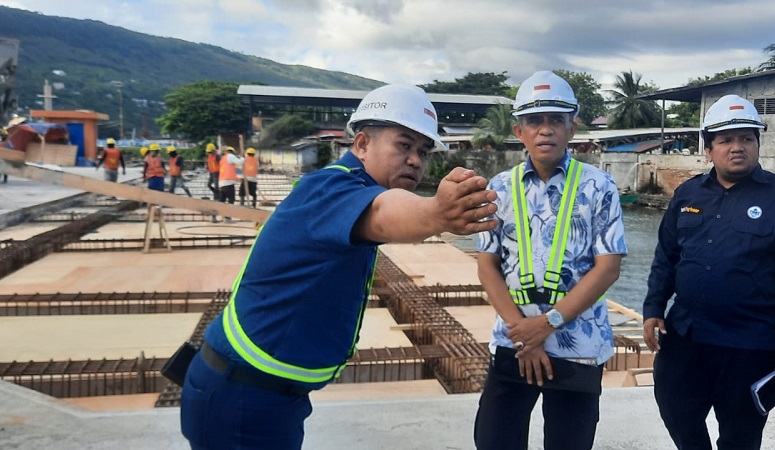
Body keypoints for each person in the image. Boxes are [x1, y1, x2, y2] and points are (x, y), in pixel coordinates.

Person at [180, 84, 498, 449]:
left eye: (423, 151)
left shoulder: (353, 188)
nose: (415, 160)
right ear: (362, 144)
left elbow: (385, 208)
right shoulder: (330, 189)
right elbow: (384, 214)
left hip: (268, 395)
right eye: (404, 145)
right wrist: (435, 212)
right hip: (242, 398)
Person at [473, 71, 627, 450]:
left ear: (571, 128)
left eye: (556, 120)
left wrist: (548, 324)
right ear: (519, 130)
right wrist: (524, 333)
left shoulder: (598, 186)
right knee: (494, 440)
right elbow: (486, 262)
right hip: (514, 340)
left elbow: (607, 266)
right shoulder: (499, 188)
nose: (545, 130)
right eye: (534, 121)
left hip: (579, 348)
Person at [643, 94, 775, 450]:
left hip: (750, 346)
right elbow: (667, 256)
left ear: (757, 144)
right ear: (708, 148)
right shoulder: (688, 194)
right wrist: (654, 308)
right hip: (686, 336)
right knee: (675, 409)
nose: (738, 147)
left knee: (740, 436)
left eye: (747, 138)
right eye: (726, 140)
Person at [217, 146, 244, 223]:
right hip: (228, 183)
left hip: (222, 183)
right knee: (231, 200)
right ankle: (228, 218)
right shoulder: (230, 156)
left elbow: (229, 170)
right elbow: (239, 162)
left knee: (222, 201)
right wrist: (242, 158)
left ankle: (216, 216)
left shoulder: (223, 159)